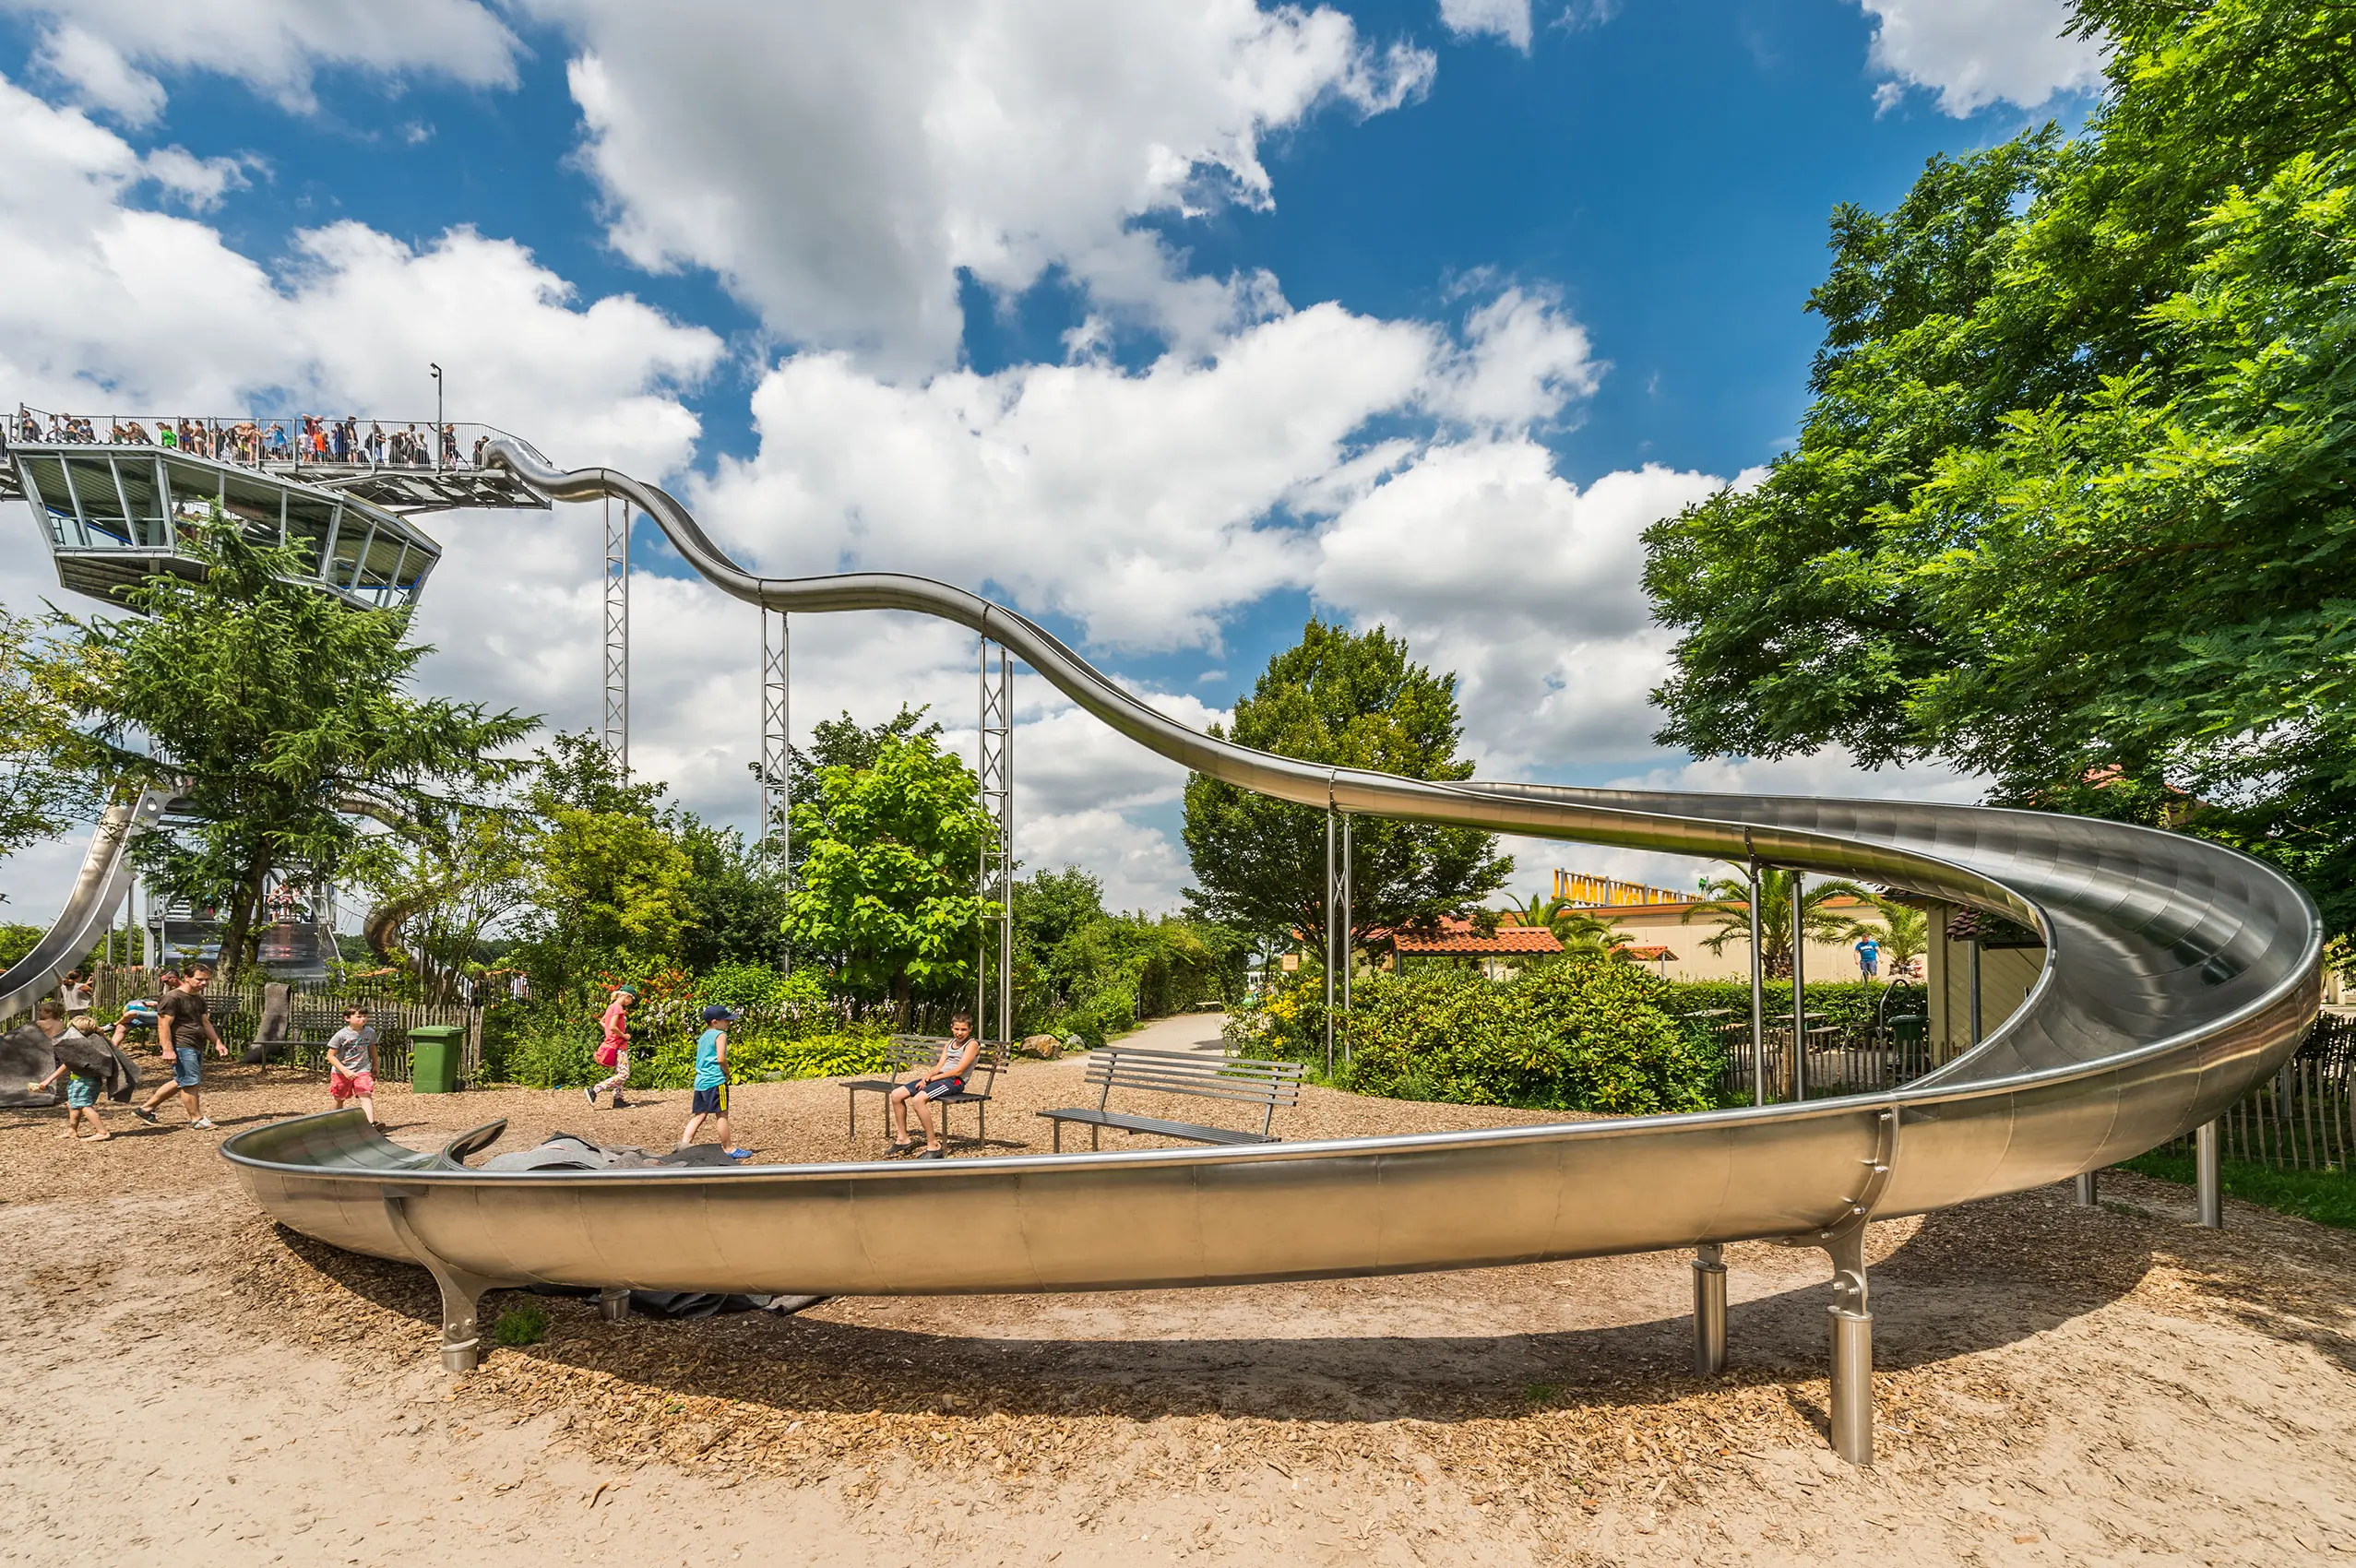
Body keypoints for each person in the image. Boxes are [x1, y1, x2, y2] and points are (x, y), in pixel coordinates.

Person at [133, 965, 226, 1129]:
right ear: (187, 977)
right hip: (182, 1045)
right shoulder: (172, 998)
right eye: (199, 979)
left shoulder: (199, 998)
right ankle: (196, 1119)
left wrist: (217, 1043)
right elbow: (163, 1025)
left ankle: (145, 1109)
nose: (204, 983)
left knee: (181, 1080)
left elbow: (205, 1023)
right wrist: (167, 1049)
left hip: (196, 1044)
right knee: (190, 1081)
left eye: (206, 980)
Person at [886, 1012, 978, 1160]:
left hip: (954, 1081)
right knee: (896, 1094)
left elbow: (959, 1071)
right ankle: (903, 1138)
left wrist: (934, 1078)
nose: (959, 1033)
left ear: (970, 1029)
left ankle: (933, 1145)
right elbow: (939, 1065)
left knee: (918, 1100)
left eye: (963, 1029)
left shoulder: (972, 1044)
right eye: (956, 1029)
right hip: (940, 1077)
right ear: (951, 1027)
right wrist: (928, 1076)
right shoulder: (950, 1043)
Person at [678, 1005, 750, 1159]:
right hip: (715, 1080)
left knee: (700, 1115)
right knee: (722, 1114)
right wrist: (727, 1072)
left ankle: (683, 1145)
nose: (729, 1023)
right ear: (715, 1022)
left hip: (701, 1081)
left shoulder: (703, 1036)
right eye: (726, 1020)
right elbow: (721, 1058)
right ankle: (729, 1148)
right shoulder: (720, 1035)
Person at [28, 1011, 111, 1141]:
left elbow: (66, 1065)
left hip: (83, 1081)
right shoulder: (90, 1043)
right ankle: (72, 1131)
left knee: (84, 1106)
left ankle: (102, 1132)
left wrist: (47, 1081)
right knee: (72, 1104)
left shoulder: (81, 1047)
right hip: (82, 1080)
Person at [586, 983, 637, 1108]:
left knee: (620, 1071)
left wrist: (609, 1033)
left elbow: (603, 1022)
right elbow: (613, 1027)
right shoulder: (618, 1008)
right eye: (631, 999)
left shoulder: (611, 1007)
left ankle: (618, 1099)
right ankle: (595, 1089)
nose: (631, 1002)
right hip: (618, 1045)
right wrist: (624, 1036)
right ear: (626, 996)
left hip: (613, 1043)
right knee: (624, 1074)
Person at [325, 1006, 378, 1124]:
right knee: (339, 1098)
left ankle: (370, 1125)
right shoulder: (341, 1035)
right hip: (341, 1071)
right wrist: (345, 1071)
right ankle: (334, 1123)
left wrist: (375, 1065)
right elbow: (330, 1056)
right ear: (347, 1018)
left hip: (362, 1069)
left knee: (365, 1094)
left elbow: (372, 1048)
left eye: (365, 1016)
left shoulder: (370, 1032)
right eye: (359, 1016)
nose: (363, 1019)